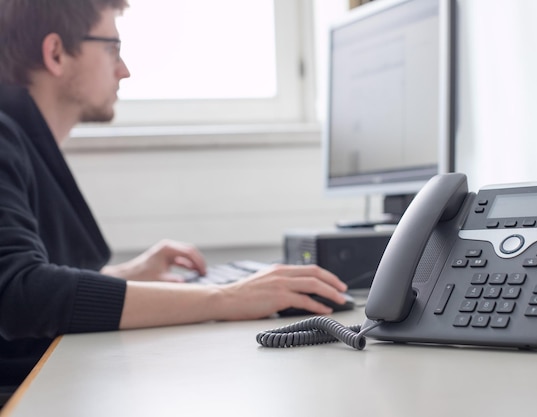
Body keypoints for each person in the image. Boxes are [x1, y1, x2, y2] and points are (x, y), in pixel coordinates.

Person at [0, 0, 348, 390]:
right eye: (112, 48)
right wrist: (225, 298)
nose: (124, 70)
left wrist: (125, 276)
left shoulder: (21, 140)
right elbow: (18, 295)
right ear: (56, 53)